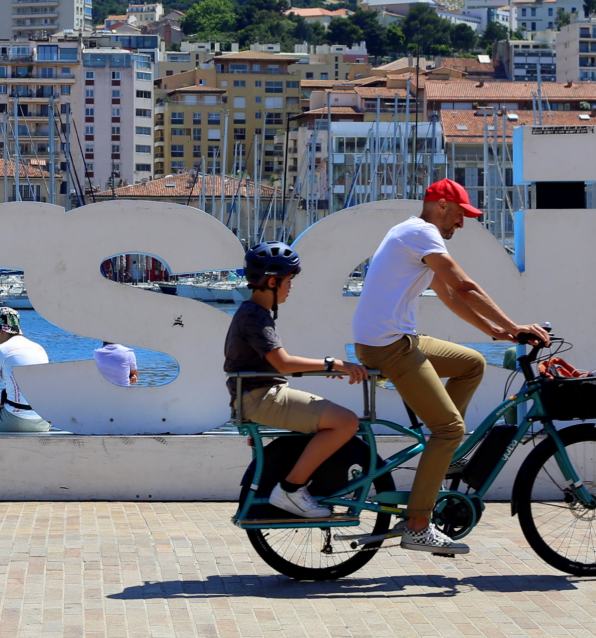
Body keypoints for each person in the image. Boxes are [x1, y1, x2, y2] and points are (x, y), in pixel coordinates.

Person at [353, 179, 550, 556]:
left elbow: (446, 294)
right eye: (461, 214)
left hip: (392, 339)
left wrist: (495, 332)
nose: (461, 224)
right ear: (442, 204)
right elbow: (463, 285)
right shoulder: (420, 232)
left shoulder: (413, 234)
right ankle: (417, 526)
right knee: (448, 428)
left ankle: (445, 454)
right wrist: (514, 326)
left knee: (471, 364)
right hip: (389, 346)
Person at [225, 241, 370, 520]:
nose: (291, 287)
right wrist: (334, 363)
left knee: (340, 421)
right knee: (346, 422)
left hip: (260, 396)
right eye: (289, 281)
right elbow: (284, 363)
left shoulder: (253, 313)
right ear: (272, 281)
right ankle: (291, 489)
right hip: (263, 398)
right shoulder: (255, 316)